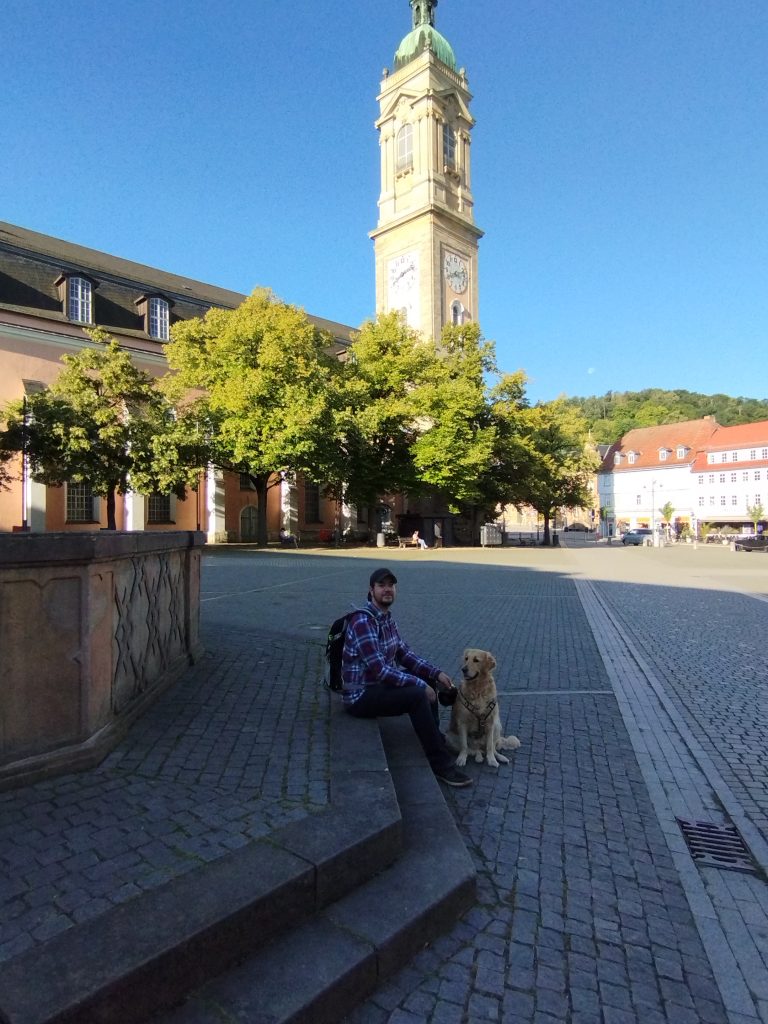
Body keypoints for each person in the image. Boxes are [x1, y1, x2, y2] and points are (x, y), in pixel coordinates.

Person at [341, 567, 471, 787]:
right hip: (360, 696)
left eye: (390, 585)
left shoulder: (386, 619)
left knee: (426, 680)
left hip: (378, 687)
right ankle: (441, 765)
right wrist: (420, 686)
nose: (387, 590)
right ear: (371, 590)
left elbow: (405, 655)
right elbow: (381, 670)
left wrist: (435, 673)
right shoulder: (364, 622)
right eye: (381, 585)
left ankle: (435, 739)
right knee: (417, 695)